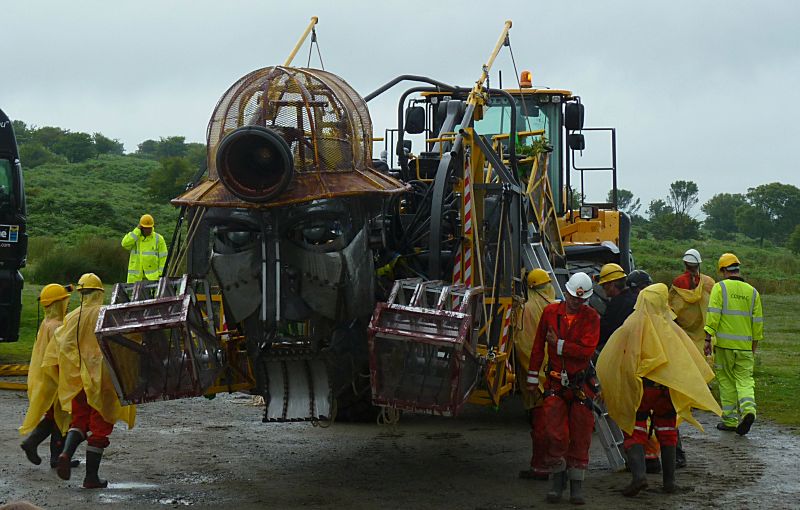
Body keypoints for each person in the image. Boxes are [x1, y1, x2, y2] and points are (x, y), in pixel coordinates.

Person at [596, 284, 721, 496]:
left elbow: (616, 357)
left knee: (633, 430)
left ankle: (639, 477)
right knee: (667, 432)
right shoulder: (671, 328)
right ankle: (669, 483)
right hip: (665, 392)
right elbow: (686, 360)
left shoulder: (630, 325)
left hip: (640, 390)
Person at [45, 273, 136, 488]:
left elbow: (60, 344)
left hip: (77, 380)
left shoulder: (72, 317)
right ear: (99, 293)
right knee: (100, 426)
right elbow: (125, 340)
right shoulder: (106, 314)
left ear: (81, 293)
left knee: (79, 421)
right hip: (102, 379)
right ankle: (91, 477)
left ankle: (66, 453)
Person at [527, 272, 599, 505]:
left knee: (581, 435)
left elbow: (585, 351)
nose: (575, 301)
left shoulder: (591, 318)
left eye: (580, 299)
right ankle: (557, 483)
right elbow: (538, 345)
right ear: (566, 292)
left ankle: (576, 486)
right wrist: (531, 377)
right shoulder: (550, 313)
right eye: (572, 297)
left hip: (580, 386)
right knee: (554, 433)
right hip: (556, 384)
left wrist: (558, 345)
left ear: (585, 299)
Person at [19, 284, 78, 469]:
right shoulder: (58, 326)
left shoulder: (47, 324)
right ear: (56, 304)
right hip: (56, 378)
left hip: (47, 378)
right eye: (63, 302)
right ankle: (37, 445)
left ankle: (52, 454)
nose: (66, 305)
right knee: (61, 416)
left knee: (56, 416)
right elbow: (61, 355)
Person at [704, 253, 763, 435]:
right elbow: (757, 322)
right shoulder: (753, 292)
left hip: (724, 346)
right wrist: (754, 345)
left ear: (722, 270)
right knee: (745, 380)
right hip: (745, 347)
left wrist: (707, 338)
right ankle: (749, 411)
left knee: (727, 382)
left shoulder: (719, 287)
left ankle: (729, 420)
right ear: (737, 269)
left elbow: (713, 315)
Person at [515, 269, 556, 481]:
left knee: (540, 425)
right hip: (555, 375)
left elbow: (522, 344)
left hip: (537, 377)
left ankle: (541, 467)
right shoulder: (557, 307)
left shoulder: (527, 309)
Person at [669, 249, 715, 354]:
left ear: (685, 263)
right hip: (703, 335)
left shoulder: (678, 282)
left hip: (682, 333)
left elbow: (670, 307)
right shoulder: (709, 282)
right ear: (698, 264)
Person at [121, 213, 168, 283]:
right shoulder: (135, 237)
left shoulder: (159, 239)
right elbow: (124, 244)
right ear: (141, 227)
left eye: (150, 228)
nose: (148, 230)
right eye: (146, 228)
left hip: (152, 278)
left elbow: (163, 258)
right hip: (135, 279)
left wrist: (161, 274)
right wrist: (137, 231)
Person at [597, 263, 634, 351]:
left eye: (604, 285)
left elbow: (605, 331)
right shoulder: (634, 298)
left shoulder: (616, 304)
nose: (602, 288)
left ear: (612, 284)